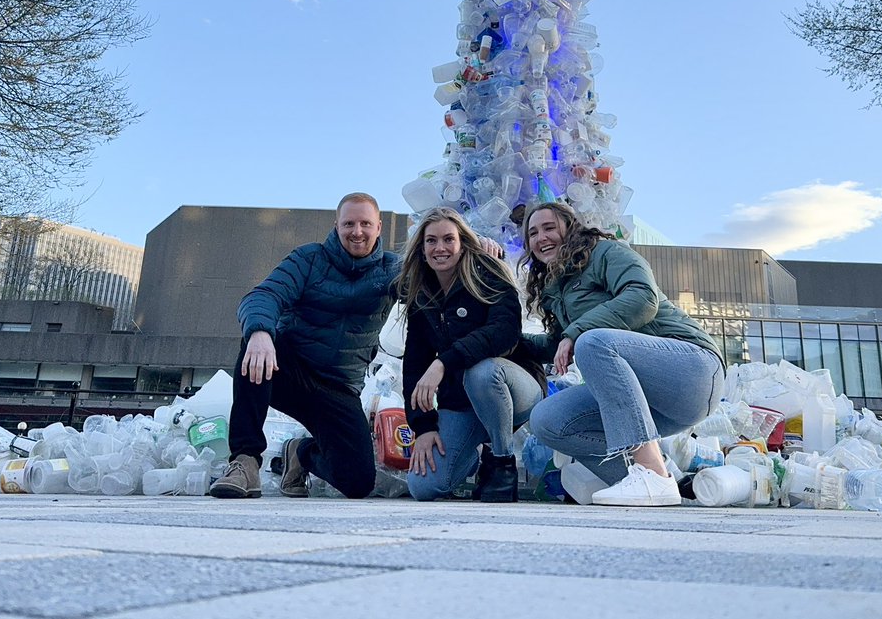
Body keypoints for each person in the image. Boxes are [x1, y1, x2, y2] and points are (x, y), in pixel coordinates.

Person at [520, 201, 724, 506]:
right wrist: (503, 342)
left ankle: (650, 472)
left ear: (571, 228)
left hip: (692, 371)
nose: (540, 238)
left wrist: (577, 332)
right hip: (645, 400)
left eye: (549, 227)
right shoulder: (557, 288)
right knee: (547, 420)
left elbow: (643, 298)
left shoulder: (605, 253)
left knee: (592, 342)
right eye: (533, 233)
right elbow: (558, 345)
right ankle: (661, 479)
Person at [210, 192, 400, 500]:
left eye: (365, 223)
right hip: (290, 370)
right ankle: (245, 461)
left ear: (379, 227)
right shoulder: (308, 258)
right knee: (255, 342)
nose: (357, 231)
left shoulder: (392, 268)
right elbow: (264, 296)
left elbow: (432, 276)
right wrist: (259, 333)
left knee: (358, 482)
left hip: (339, 388)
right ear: (336, 225)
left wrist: (480, 250)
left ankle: (302, 452)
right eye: (349, 223)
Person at [398, 207, 545, 502]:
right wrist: (423, 427)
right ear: (421, 248)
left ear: (463, 243)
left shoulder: (488, 274)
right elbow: (415, 366)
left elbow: (505, 333)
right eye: (431, 241)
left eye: (448, 239)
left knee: (483, 371)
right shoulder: (421, 296)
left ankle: (501, 463)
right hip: (463, 400)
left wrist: (444, 362)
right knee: (423, 486)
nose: (440, 248)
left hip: (513, 389)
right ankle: (467, 458)